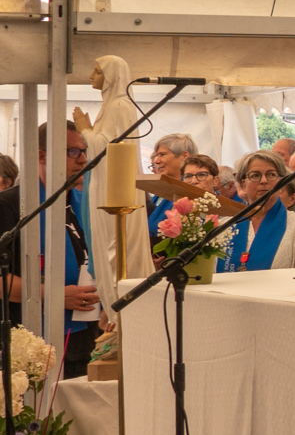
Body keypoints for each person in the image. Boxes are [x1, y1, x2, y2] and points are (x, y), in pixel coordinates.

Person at [0, 123, 101, 377]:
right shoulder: (10, 205)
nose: (84, 160)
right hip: (32, 339)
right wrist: (54, 295)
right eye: (73, 152)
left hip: (85, 334)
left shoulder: (84, 203)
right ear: (42, 155)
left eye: (84, 151)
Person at [72, 55, 154, 311]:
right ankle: (111, 312)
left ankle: (121, 312)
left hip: (114, 187)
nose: (90, 77)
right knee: (102, 243)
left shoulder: (120, 106)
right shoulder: (110, 106)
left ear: (111, 77)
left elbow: (109, 147)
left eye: (96, 71)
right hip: (102, 184)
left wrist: (84, 130)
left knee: (115, 247)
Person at [216, 151, 295, 271]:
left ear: (281, 182)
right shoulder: (225, 227)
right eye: (255, 175)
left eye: (271, 175)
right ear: (243, 184)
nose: (264, 181)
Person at [147, 133, 197, 239]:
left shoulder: (191, 191)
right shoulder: (161, 192)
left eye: (162, 154)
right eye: (157, 155)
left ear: (184, 156)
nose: (157, 161)